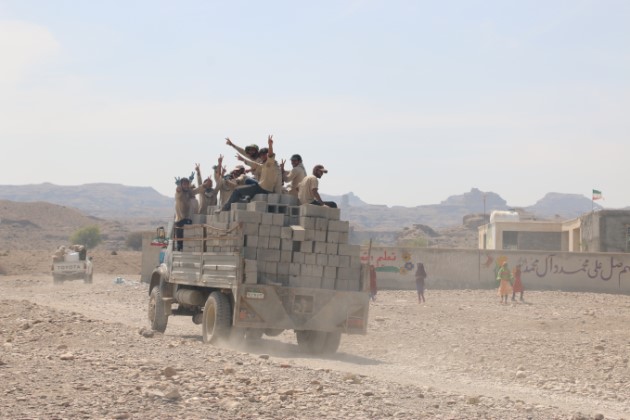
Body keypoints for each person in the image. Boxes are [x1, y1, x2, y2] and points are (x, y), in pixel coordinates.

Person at [221, 135, 280, 211]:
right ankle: (245, 196)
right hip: (260, 184)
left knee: (237, 190)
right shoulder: (263, 164)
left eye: (253, 151)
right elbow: (246, 155)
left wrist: (270, 145)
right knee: (246, 180)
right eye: (261, 155)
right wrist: (233, 145)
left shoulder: (269, 162)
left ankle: (226, 208)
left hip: (263, 187)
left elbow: (270, 155)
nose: (251, 152)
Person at [174, 177, 204, 251]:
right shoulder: (179, 193)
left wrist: (204, 185)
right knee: (180, 236)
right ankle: (179, 247)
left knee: (188, 236)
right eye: (184, 184)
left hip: (187, 218)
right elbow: (178, 191)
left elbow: (196, 190)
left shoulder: (188, 193)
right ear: (181, 185)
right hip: (180, 219)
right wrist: (178, 186)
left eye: (187, 184)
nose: (186, 186)